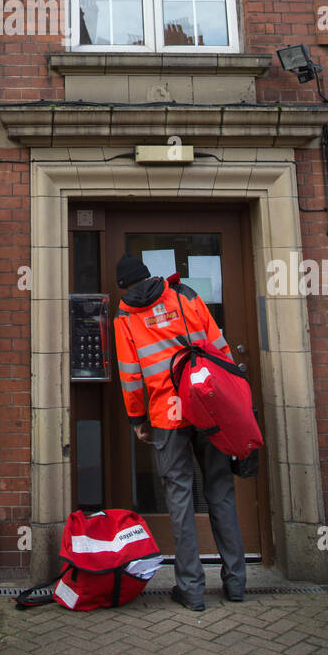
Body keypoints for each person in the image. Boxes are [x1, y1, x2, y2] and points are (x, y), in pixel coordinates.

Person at [114, 253, 247, 611]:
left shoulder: (125, 315)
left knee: (179, 498)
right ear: (150, 275)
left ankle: (191, 589)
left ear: (123, 287)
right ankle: (236, 583)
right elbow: (218, 346)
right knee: (220, 490)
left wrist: (136, 419)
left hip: (166, 415)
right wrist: (232, 396)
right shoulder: (183, 293)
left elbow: (129, 375)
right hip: (208, 406)